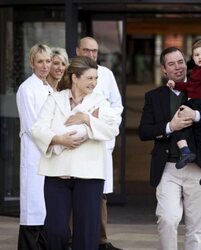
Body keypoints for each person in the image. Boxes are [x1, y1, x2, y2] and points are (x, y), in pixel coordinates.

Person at [138, 46, 201, 250]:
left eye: (180, 62)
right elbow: (144, 131)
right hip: (168, 168)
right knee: (167, 219)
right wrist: (171, 127)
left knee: (196, 227)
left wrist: (197, 116)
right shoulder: (154, 96)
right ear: (163, 69)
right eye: (171, 64)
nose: (178, 67)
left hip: (198, 168)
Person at [31, 56, 120, 250]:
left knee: (86, 234)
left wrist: (86, 119)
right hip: (56, 173)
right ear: (74, 78)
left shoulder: (101, 101)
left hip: (89, 175)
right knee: (56, 230)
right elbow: (38, 129)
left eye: (96, 78)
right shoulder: (55, 98)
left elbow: (112, 129)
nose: (94, 83)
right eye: (89, 78)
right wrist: (58, 139)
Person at [76, 36, 123, 250]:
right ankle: (72, 239)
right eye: (87, 50)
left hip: (100, 142)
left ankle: (101, 240)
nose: (91, 55)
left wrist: (99, 118)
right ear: (78, 51)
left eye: (94, 51)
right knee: (74, 190)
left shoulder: (107, 75)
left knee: (100, 193)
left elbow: (117, 107)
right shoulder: (70, 75)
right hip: (75, 144)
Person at [167, 39, 201, 185]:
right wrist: (175, 85)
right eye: (196, 55)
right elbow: (188, 86)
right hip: (193, 103)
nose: (200, 57)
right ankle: (186, 152)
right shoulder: (196, 71)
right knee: (178, 126)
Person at [16, 43, 53, 250]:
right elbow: (32, 127)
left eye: (48, 61)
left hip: (48, 156)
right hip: (35, 154)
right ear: (32, 63)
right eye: (40, 61)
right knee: (33, 208)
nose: (45, 66)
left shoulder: (48, 87)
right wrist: (55, 144)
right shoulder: (26, 88)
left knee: (45, 208)